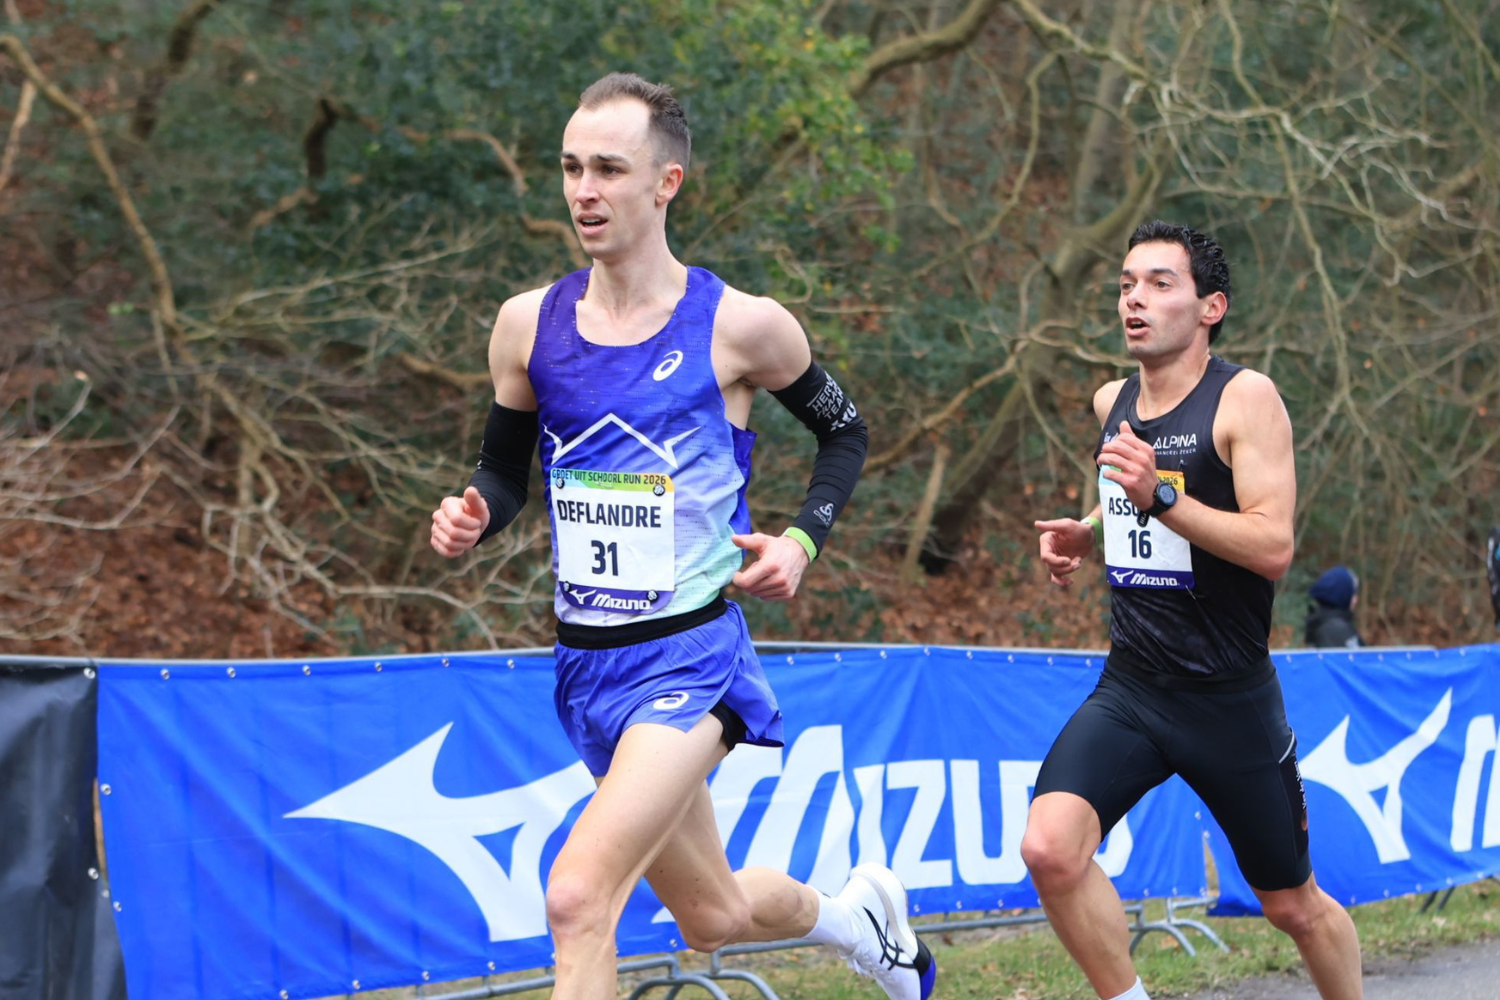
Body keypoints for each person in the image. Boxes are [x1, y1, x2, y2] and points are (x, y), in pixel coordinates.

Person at [428, 73, 934, 1000]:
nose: (584, 189)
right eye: (573, 168)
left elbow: (845, 432)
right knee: (716, 917)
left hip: (689, 661)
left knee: (579, 897)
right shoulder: (525, 328)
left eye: (610, 170)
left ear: (666, 183)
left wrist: (800, 540)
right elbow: (503, 473)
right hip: (584, 669)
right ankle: (860, 921)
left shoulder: (739, 328)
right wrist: (473, 510)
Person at [1025, 221, 1364, 1000]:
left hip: (1229, 700)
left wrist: (1162, 496)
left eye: (1158, 284)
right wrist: (1091, 530)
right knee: (1050, 848)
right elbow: (1131, 502)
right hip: (1135, 689)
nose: (1134, 299)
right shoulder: (1114, 400)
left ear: (1210, 307)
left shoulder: (1245, 399)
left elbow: (1272, 544)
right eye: (1125, 284)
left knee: (1293, 906)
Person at [1304, 565, 1365, 648]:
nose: (1355, 600)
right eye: (1352, 594)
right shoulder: (1335, 629)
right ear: (1342, 595)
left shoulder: (1323, 623)